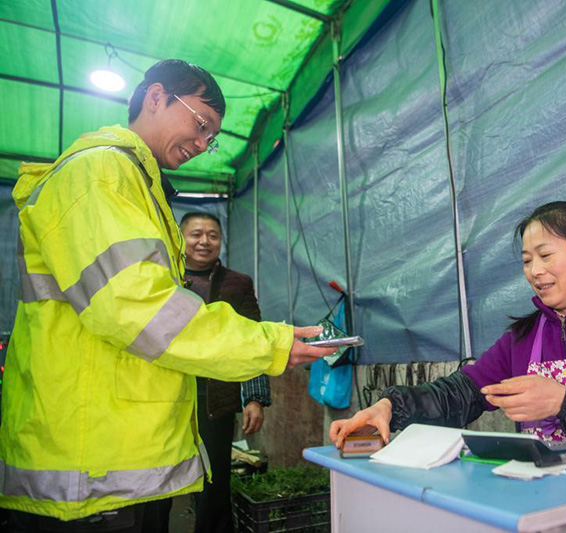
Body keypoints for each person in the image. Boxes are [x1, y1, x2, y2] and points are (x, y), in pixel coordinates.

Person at [0, 59, 334, 532]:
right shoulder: (98, 174)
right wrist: (271, 345)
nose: (202, 145)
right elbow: (142, 307)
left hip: (117, 460)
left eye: (211, 137)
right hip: (88, 469)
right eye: (200, 125)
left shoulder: (138, 185)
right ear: (155, 97)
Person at [330, 201, 566, 532]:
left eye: (546, 256)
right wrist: (390, 407)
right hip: (555, 510)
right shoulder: (522, 339)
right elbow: (461, 393)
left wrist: (565, 401)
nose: (535, 271)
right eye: (527, 261)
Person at [179, 211, 270, 533]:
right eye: (196, 234)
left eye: (213, 235)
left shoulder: (237, 283)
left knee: (214, 477)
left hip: (213, 394)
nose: (204, 241)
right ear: (180, 237)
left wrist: (255, 398)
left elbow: (253, 340)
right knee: (156, 476)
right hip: (164, 392)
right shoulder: (160, 279)